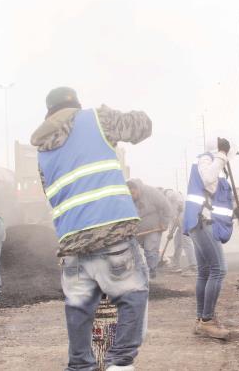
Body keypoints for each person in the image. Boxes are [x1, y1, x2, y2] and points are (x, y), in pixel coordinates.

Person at [30, 86, 151, 371]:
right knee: (132, 294)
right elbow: (142, 127)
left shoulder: (42, 151)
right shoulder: (96, 119)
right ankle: (119, 363)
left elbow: (51, 192)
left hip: (72, 240)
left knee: (79, 306)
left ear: (50, 113)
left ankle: (79, 365)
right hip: (111, 231)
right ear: (76, 106)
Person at [183, 136, 239, 340]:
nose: (229, 159)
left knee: (205, 272)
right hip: (203, 223)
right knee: (219, 270)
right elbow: (208, 181)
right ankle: (207, 321)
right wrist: (221, 155)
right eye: (229, 154)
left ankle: (201, 320)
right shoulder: (207, 160)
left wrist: (238, 212)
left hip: (201, 222)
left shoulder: (211, 163)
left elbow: (216, 199)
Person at [126, 179, 173, 279]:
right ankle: (139, 273)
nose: (132, 196)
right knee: (135, 252)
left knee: (150, 250)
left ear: (137, 189)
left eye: (133, 193)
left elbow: (167, 207)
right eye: (129, 194)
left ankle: (152, 273)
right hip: (137, 230)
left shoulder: (151, 192)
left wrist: (164, 222)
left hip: (153, 227)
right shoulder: (126, 197)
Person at [163, 188, 197, 276]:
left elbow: (177, 195)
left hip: (186, 222)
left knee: (186, 242)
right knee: (178, 242)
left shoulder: (169, 194)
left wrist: (180, 203)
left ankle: (194, 267)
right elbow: (172, 220)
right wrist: (170, 232)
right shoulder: (168, 206)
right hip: (181, 224)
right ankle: (175, 265)